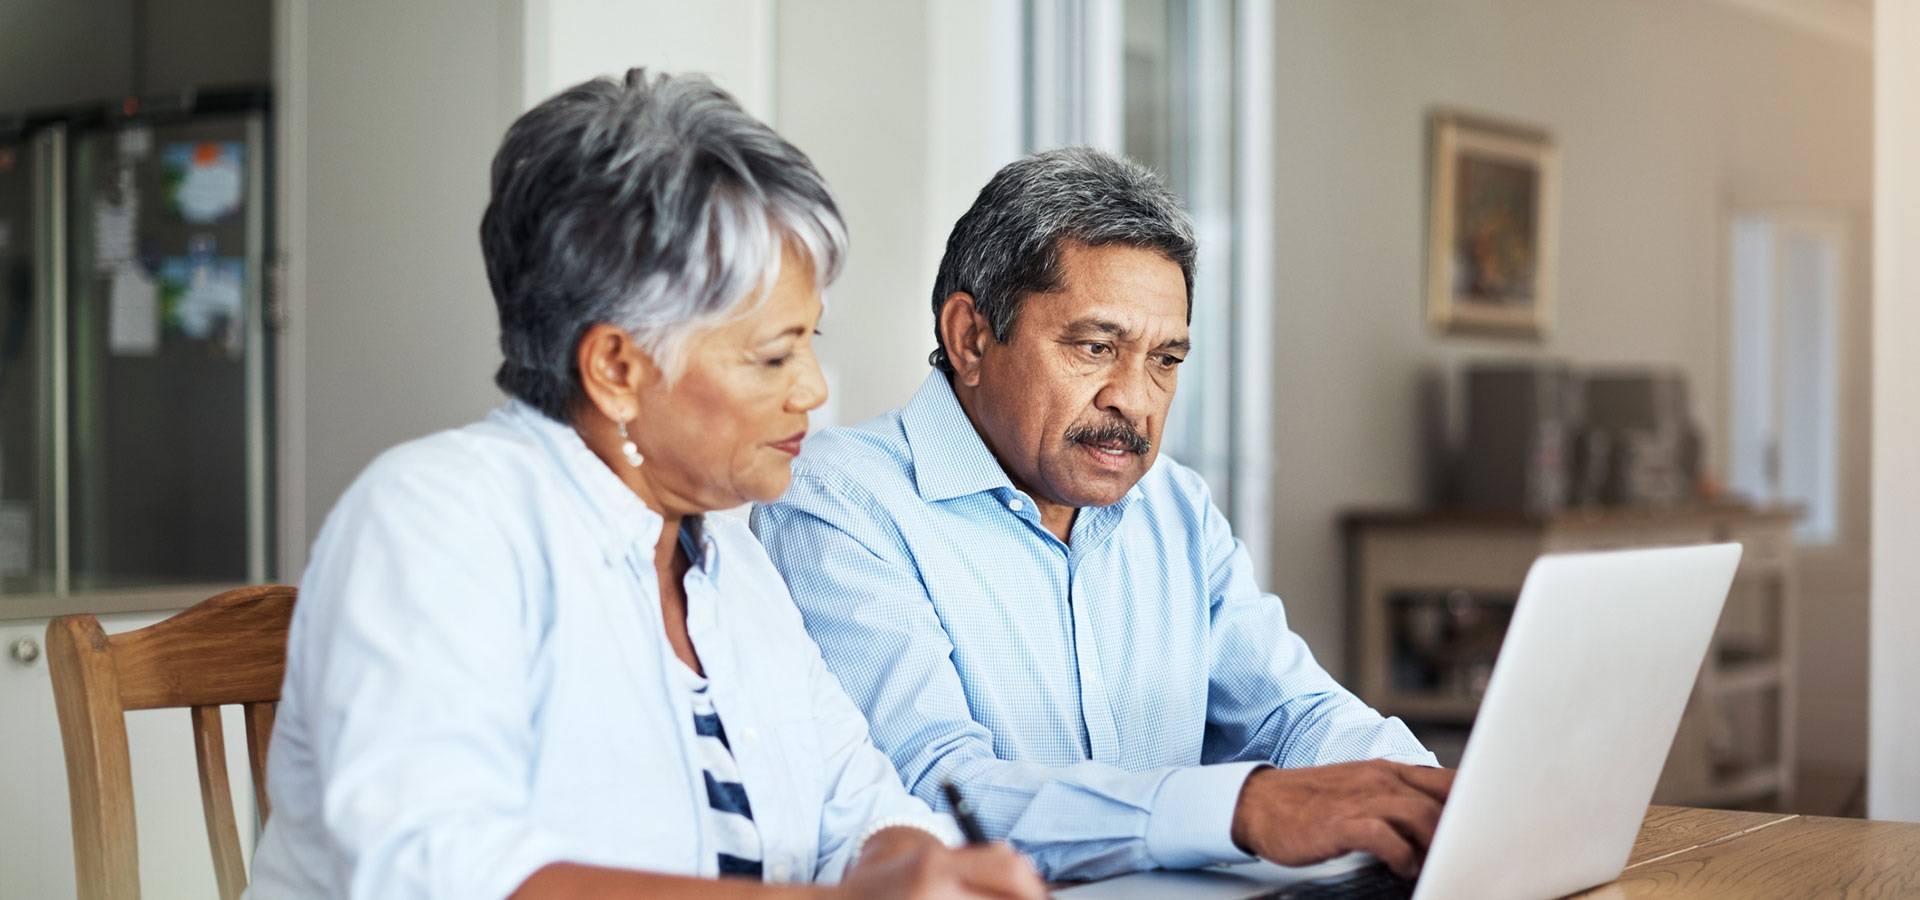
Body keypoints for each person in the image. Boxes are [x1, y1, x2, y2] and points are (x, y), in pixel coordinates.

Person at [247, 70, 1044, 900]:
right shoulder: (434, 523)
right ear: (617, 369)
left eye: (811, 341)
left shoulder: (728, 555)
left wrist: (916, 866)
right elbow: (439, 871)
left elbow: (863, 807)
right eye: (773, 355)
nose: (812, 389)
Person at [751, 147, 1452, 883]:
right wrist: (1241, 808)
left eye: (1166, 360)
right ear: (970, 338)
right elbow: (931, 791)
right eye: (1096, 347)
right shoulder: (838, 500)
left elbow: (1296, 716)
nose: (1136, 399)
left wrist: (1427, 794)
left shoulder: (1173, 505)